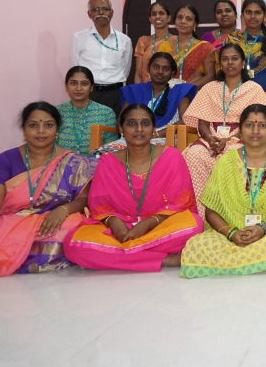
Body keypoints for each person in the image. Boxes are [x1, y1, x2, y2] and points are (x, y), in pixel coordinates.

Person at [63, 105, 203, 271]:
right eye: (131, 123)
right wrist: (114, 222)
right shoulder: (107, 162)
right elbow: (99, 207)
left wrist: (148, 224)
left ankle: (121, 254)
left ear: (153, 129)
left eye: (145, 123)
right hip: (119, 230)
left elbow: (181, 204)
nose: (139, 129)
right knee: (72, 244)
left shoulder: (172, 157)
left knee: (194, 225)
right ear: (121, 129)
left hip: (159, 226)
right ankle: (163, 259)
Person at [180, 104, 266, 278]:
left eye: (262, 125)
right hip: (232, 236)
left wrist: (264, 228)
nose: (255, 131)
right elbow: (211, 211)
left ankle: (242, 259)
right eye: (249, 125)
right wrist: (231, 233)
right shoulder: (226, 162)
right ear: (240, 131)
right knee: (196, 246)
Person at [0, 102, 96, 277]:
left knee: (75, 226)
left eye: (48, 125)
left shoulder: (73, 161)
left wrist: (63, 210)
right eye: (33, 125)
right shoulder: (5, 160)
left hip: (54, 223)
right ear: (24, 130)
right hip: (11, 223)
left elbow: (85, 199)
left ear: (57, 130)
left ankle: (18, 256)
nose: (41, 131)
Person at [181, 43, 266, 201]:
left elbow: (259, 122)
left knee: (233, 154)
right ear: (221, 64)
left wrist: (230, 139)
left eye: (234, 58)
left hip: (241, 139)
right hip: (210, 139)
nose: (230, 62)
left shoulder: (253, 88)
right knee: (194, 154)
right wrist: (210, 139)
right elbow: (202, 122)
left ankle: (230, 209)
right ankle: (202, 210)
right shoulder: (210, 88)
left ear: (243, 63)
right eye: (225, 59)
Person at [90, 53, 197, 155]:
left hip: (163, 140)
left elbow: (186, 120)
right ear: (148, 69)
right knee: (96, 155)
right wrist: (133, 134)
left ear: (172, 73)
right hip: (132, 138)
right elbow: (121, 120)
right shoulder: (136, 90)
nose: (160, 71)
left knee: (145, 154)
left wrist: (156, 134)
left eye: (166, 69)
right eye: (156, 67)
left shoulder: (180, 91)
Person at [70, 0, 132, 116]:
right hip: (90, 93)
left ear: (112, 13)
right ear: (89, 14)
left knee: (115, 127)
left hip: (116, 94)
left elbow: (126, 69)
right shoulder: (78, 38)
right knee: (89, 127)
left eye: (105, 9)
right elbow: (75, 68)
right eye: (96, 9)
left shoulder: (124, 40)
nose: (101, 13)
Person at [225, 0, 266, 115]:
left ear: (264, 15)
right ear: (242, 15)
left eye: (257, 12)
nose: (253, 16)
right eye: (248, 12)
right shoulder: (232, 40)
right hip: (238, 97)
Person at [56, 66, 118, 157]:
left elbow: (112, 149)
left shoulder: (106, 113)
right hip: (62, 164)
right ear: (66, 86)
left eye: (84, 84)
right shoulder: (56, 112)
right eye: (73, 83)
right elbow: (51, 147)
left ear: (91, 87)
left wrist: (90, 161)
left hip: (97, 164)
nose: (78, 88)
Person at [165, 5, 216, 88]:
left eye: (188, 19)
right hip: (169, 92)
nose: (183, 21)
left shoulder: (204, 47)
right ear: (175, 22)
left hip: (194, 92)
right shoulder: (165, 45)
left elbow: (210, 77)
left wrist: (186, 89)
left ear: (195, 25)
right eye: (180, 17)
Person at [133, 1, 177, 84]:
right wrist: (139, 91)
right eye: (154, 14)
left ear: (169, 18)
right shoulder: (143, 41)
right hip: (146, 88)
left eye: (161, 13)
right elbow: (138, 74)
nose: (157, 16)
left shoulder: (177, 41)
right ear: (150, 19)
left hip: (171, 87)